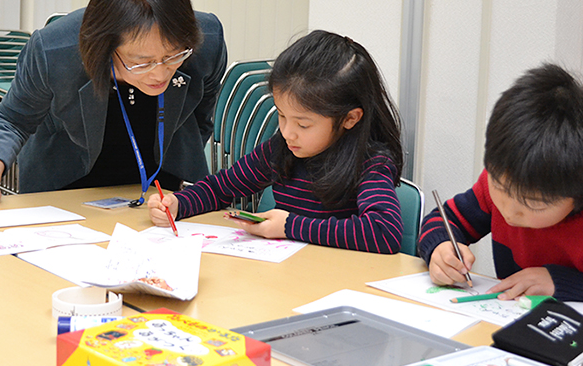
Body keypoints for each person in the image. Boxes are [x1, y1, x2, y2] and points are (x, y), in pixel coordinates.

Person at [0, 0, 227, 210]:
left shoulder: (208, 41)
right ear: (106, 45)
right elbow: (13, 119)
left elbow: (200, 116)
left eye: (172, 56)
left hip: (158, 193)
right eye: (141, 62)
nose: (160, 73)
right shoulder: (54, 51)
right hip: (65, 186)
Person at [149, 30, 404, 252]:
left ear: (350, 119)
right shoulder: (281, 149)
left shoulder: (371, 163)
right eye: (281, 116)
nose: (287, 132)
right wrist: (179, 204)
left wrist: (289, 226)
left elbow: (383, 232)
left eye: (303, 124)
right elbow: (221, 188)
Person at [419, 63, 583, 302]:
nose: (509, 211)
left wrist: (562, 282)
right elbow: (443, 219)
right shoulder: (493, 186)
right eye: (500, 186)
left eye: (534, 204)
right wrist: (441, 248)